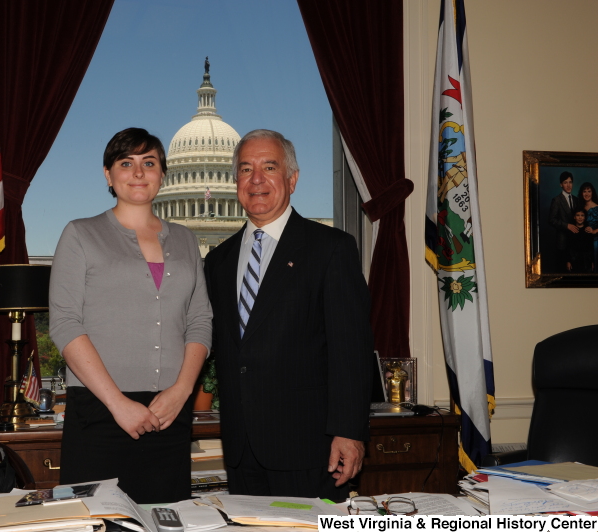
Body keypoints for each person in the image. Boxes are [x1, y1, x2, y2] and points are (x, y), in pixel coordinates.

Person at [203, 129, 374, 500]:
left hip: (310, 448)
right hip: (241, 449)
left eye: (269, 167)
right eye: (246, 169)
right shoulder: (218, 261)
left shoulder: (330, 249)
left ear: (292, 179)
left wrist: (350, 431)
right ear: (236, 183)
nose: (257, 180)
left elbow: (351, 352)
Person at [48, 128, 212, 503]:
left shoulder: (186, 239)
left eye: (149, 163)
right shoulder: (80, 234)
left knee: (166, 520)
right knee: (99, 522)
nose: (138, 173)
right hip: (100, 409)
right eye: (127, 163)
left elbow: (200, 320)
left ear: (162, 174)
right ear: (108, 175)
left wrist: (182, 391)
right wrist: (118, 403)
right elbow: (65, 323)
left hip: (169, 412)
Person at [548, 171, 579, 272]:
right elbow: (551, 220)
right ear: (561, 184)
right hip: (562, 242)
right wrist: (566, 225)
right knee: (563, 272)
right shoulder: (556, 200)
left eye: (570, 182)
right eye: (565, 182)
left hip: (575, 242)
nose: (568, 185)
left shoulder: (576, 199)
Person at [579, 182, 598, 273]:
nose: (586, 194)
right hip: (583, 241)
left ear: (592, 192)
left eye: (589, 191)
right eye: (584, 191)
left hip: (594, 241)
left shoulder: (597, 207)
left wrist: (594, 231)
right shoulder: (580, 207)